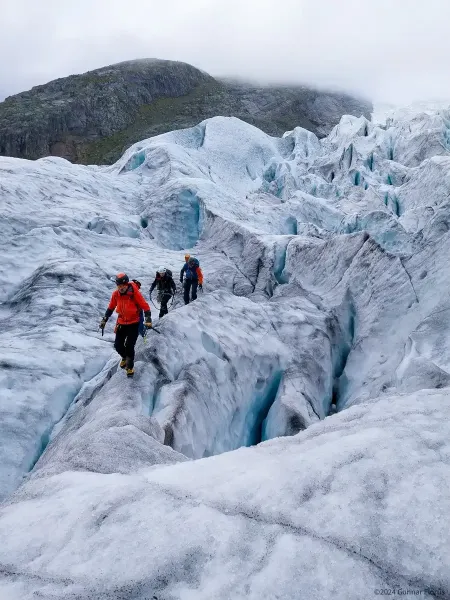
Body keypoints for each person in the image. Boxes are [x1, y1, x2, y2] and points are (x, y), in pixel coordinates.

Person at [99, 273, 152, 377]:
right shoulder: (115, 294)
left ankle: (130, 367)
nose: (121, 288)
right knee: (118, 345)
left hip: (134, 323)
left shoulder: (134, 293)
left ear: (127, 284)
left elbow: (144, 306)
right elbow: (111, 307)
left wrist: (148, 319)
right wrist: (104, 319)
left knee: (129, 346)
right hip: (121, 323)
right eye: (119, 286)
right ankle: (124, 357)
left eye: (123, 286)